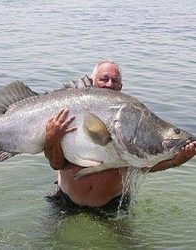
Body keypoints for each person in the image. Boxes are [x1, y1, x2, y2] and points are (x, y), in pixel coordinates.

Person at [44, 60, 196, 215]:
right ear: (92, 81)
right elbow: (57, 164)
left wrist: (177, 160)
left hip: (113, 206)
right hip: (66, 202)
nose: (109, 84)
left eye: (115, 81)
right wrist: (51, 138)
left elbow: (143, 165)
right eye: (104, 79)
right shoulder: (68, 112)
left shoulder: (130, 116)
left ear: (120, 87)